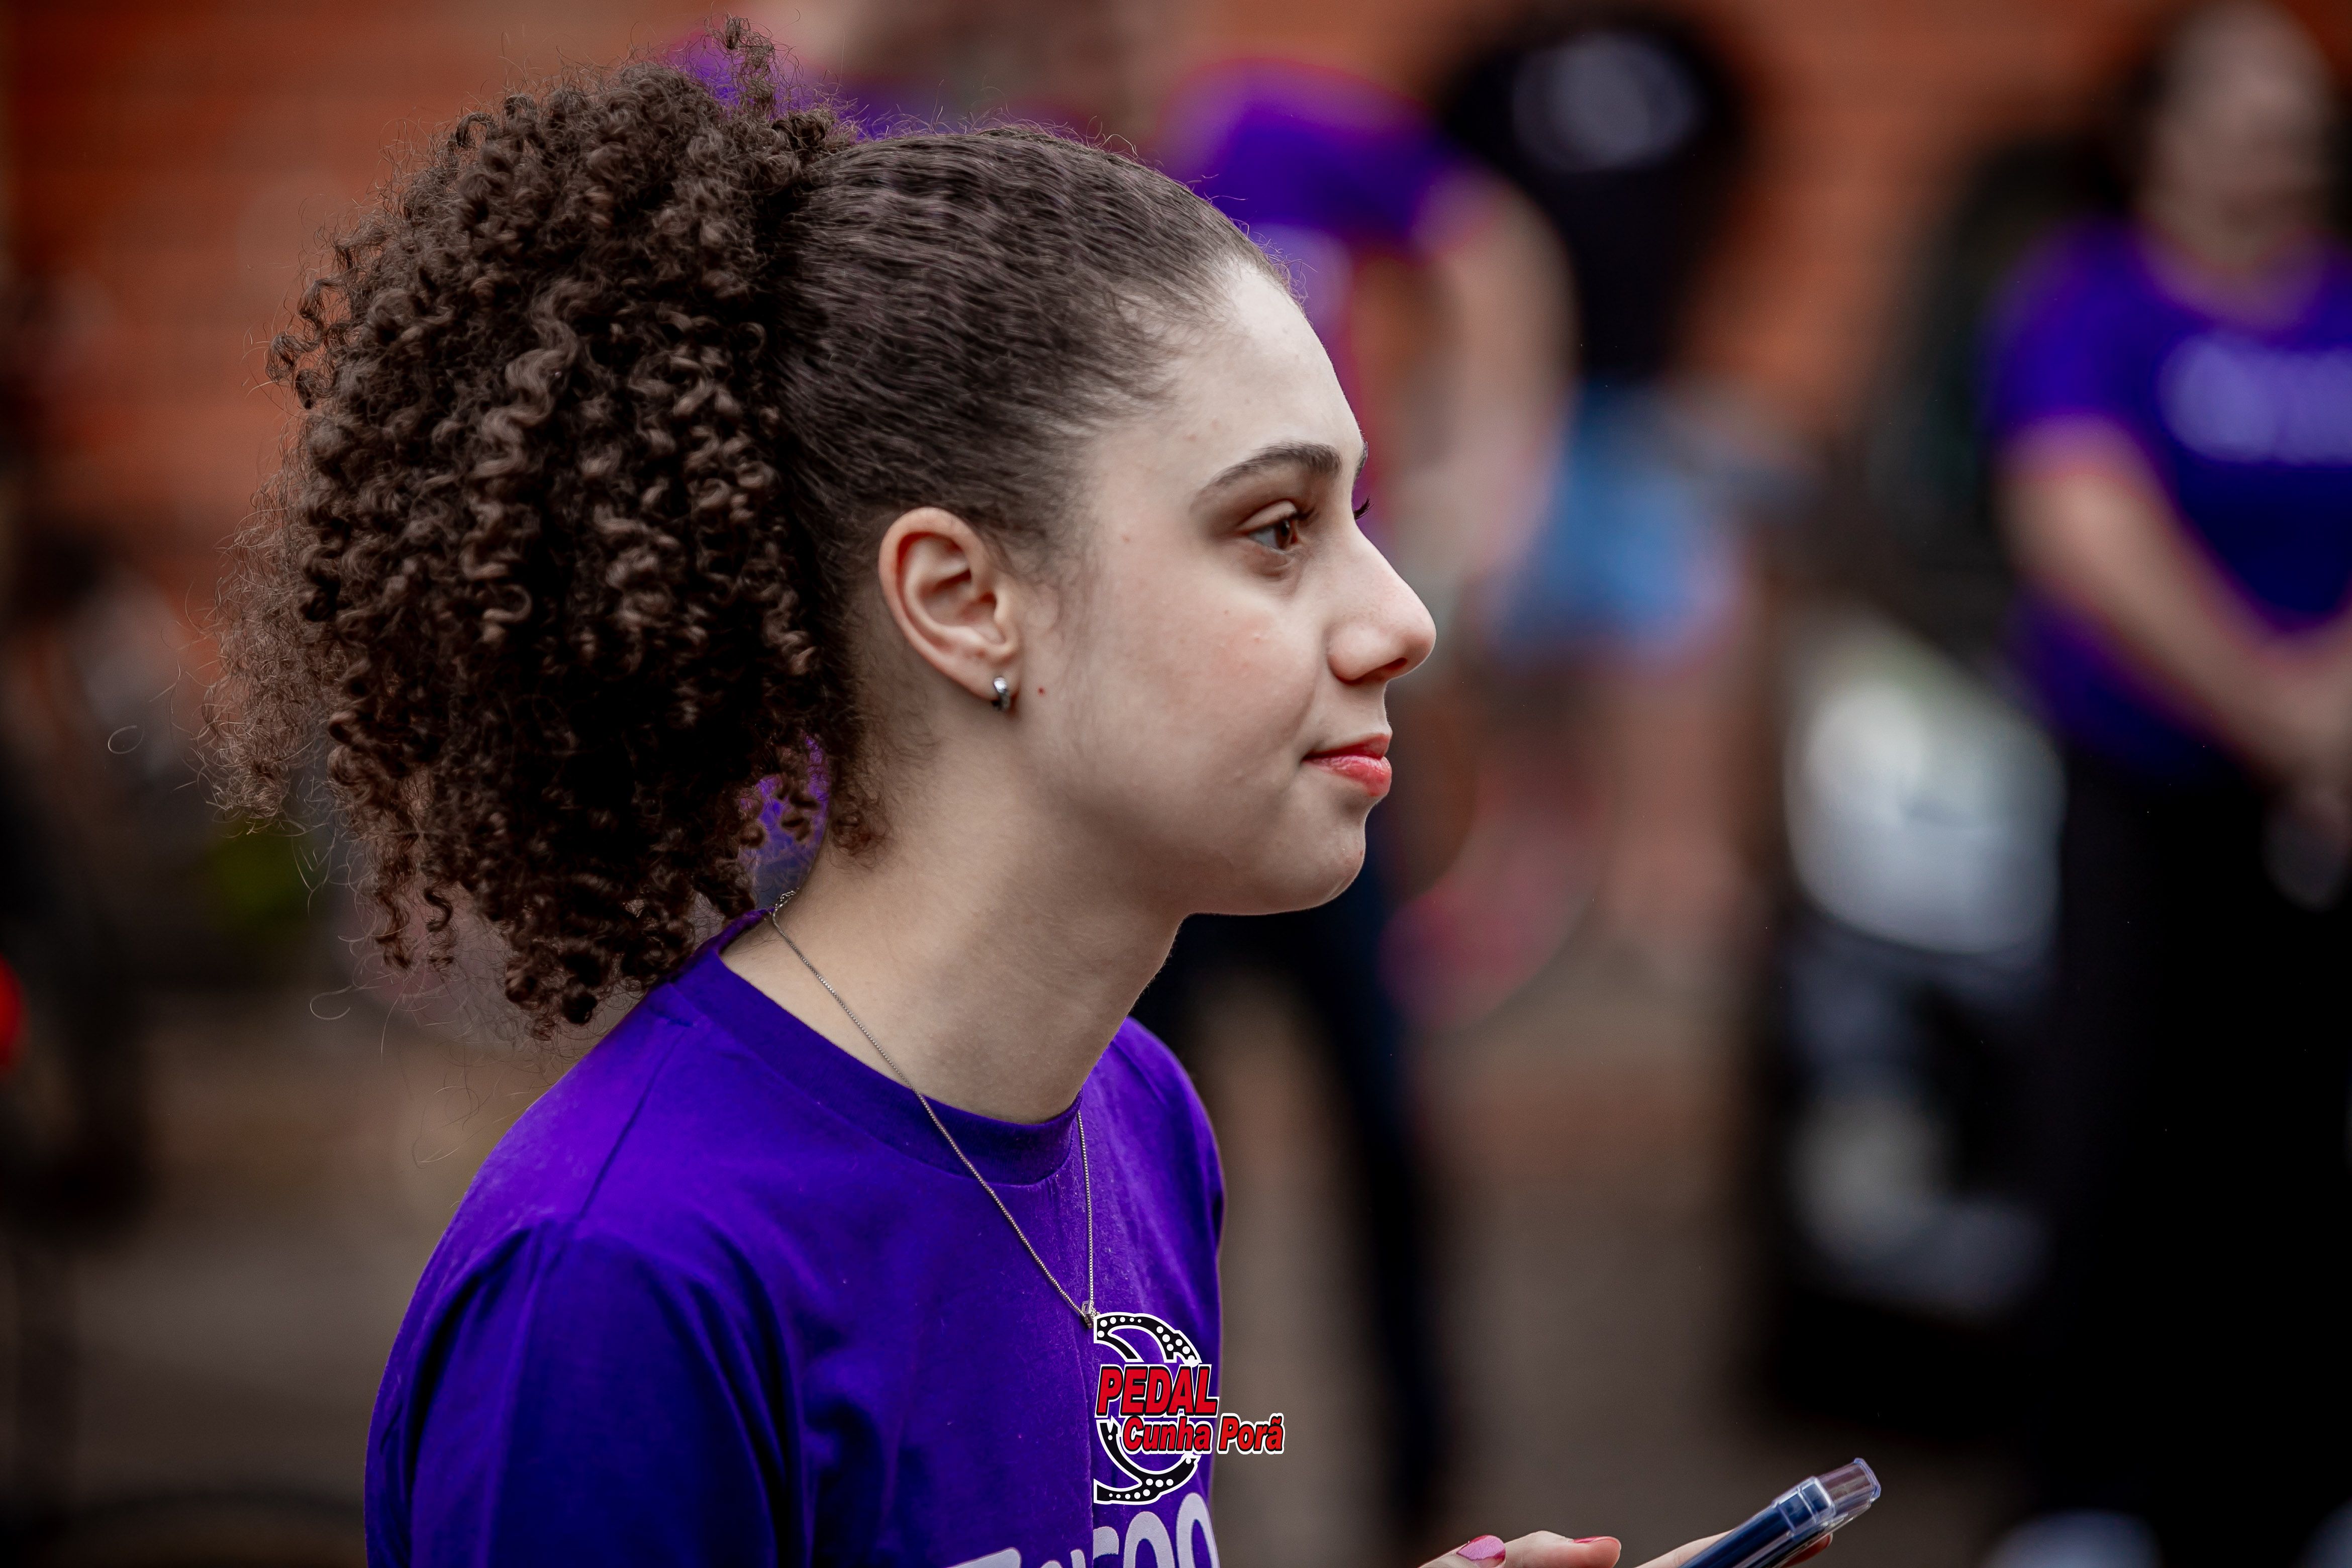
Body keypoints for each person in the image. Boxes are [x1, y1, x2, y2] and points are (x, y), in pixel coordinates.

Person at [217, 24, 1723, 1568]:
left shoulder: (1136, 1115)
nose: (1401, 618)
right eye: (1277, 529)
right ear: (965, 601)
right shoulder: (622, 1290)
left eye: (1361, 516)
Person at [1139, 58, 1567, 1540]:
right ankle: (1159, 1493)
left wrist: (1488, 482)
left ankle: (1423, 1488)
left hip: (1324, 745)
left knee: (1385, 1119)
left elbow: (1490, 245)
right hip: (1154, 766)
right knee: (1148, 1156)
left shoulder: (1283, 137)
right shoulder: (1014, 163)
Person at [1983, 7, 2352, 1567]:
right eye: (2246, 109)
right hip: (2148, 792)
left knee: (2306, 1155)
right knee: (2117, 1131)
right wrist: (2285, 717)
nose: (2281, 139)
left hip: (2330, 801)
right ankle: (2091, 1498)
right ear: (2157, 132)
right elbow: (2085, 529)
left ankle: (2298, 1495)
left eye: (2301, 111)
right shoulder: (2090, 302)